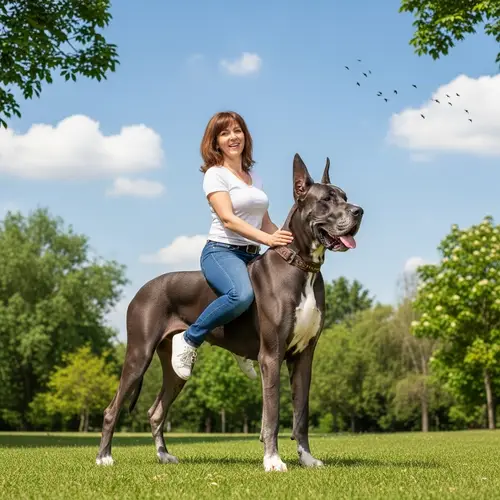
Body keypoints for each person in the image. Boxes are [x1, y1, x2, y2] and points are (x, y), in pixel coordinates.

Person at [171, 111, 294, 380]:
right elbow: (228, 220)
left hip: (252, 254)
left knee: (269, 301)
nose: (233, 137)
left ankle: (241, 347)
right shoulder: (215, 175)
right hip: (221, 251)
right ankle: (189, 339)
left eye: (237, 130)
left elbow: (266, 223)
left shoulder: (254, 177)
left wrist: (289, 241)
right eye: (224, 133)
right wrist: (268, 240)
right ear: (215, 142)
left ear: (245, 136)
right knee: (241, 295)